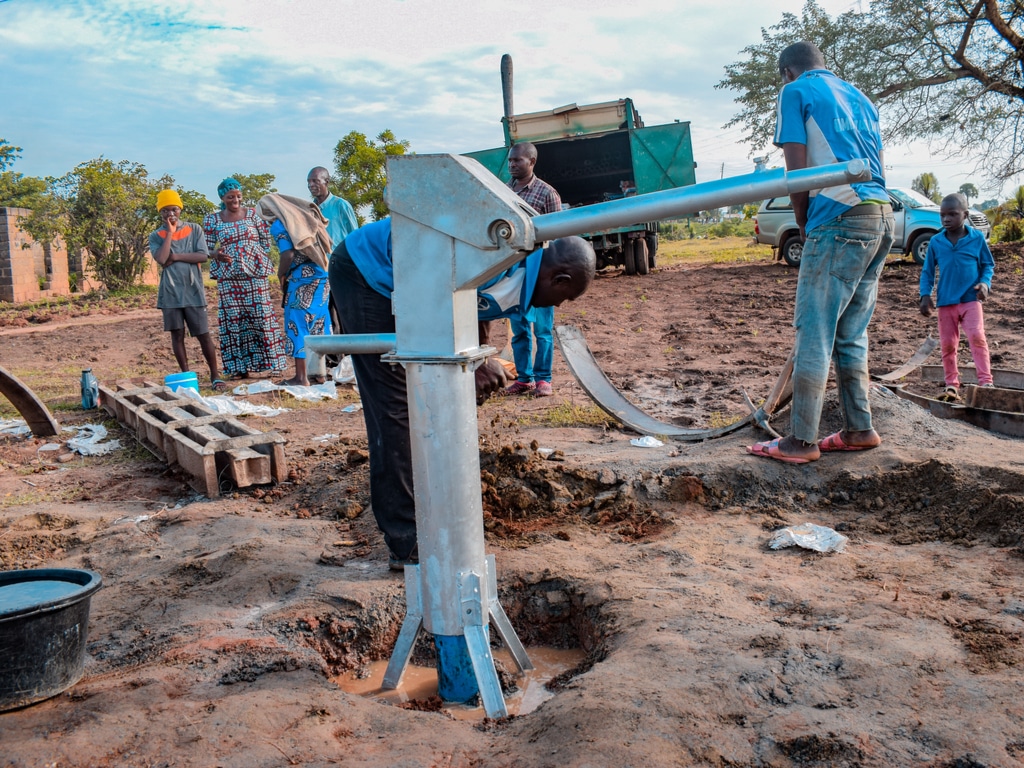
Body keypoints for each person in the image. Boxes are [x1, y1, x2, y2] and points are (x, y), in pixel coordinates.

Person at [329, 218, 596, 568]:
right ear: (558, 279)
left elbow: (470, 298)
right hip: (368, 272)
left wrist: (478, 357)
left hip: (412, 279)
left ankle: (434, 512)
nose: (559, 306)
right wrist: (475, 362)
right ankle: (407, 542)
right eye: (565, 297)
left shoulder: (514, 263)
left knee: (428, 397)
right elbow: (432, 294)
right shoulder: (498, 248)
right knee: (395, 406)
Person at [747, 41, 895, 464]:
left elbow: (798, 169)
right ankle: (859, 429)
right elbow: (877, 160)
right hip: (880, 213)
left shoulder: (795, 92)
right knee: (850, 332)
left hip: (839, 216)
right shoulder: (859, 96)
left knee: (815, 329)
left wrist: (805, 220)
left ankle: (801, 440)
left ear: (786, 72)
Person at [202, 178, 287, 380]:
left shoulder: (252, 214)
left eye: (238, 196)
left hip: (255, 276)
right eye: (230, 197)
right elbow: (206, 247)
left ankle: (274, 365)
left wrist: (253, 255)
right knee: (234, 321)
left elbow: (265, 239)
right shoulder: (212, 219)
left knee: (262, 316)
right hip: (229, 278)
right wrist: (216, 255)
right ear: (222, 198)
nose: (235, 200)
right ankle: (239, 369)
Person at [919, 193, 995, 401]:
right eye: (943, 215)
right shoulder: (936, 242)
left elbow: (987, 265)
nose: (946, 219)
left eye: (952, 214)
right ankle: (951, 385)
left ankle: (986, 382)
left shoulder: (976, 238)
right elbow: (927, 271)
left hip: (971, 299)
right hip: (946, 302)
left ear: (965, 214)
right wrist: (925, 295)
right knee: (948, 344)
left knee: (977, 338)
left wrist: (985, 284)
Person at [503, 142, 563, 397]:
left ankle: (543, 379)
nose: (512, 164)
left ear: (532, 162)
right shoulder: (503, 191)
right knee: (518, 329)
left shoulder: (547, 194)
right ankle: (524, 378)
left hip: (540, 269)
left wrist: (554, 273)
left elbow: (559, 234)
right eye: (510, 161)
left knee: (542, 329)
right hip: (512, 268)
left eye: (518, 160)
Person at [148, 189, 223, 390]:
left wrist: (177, 257)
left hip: (193, 290)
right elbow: (162, 258)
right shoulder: (156, 236)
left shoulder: (194, 229)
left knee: (203, 334)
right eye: (165, 211)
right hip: (170, 294)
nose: (170, 214)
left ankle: (215, 376)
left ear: (180, 209)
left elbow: (201, 255)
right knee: (177, 335)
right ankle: (186, 377)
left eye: (173, 209)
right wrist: (170, 234)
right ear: (160, 214)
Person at [257, 193, 334, 387]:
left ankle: (301, 377)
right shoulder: (302, 219)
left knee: (298, 324)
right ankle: (319, 374)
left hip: (302, 279)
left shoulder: (279, 224)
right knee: (318, 323)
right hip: (322, 275)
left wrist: (280, 274)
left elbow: (288, 254)